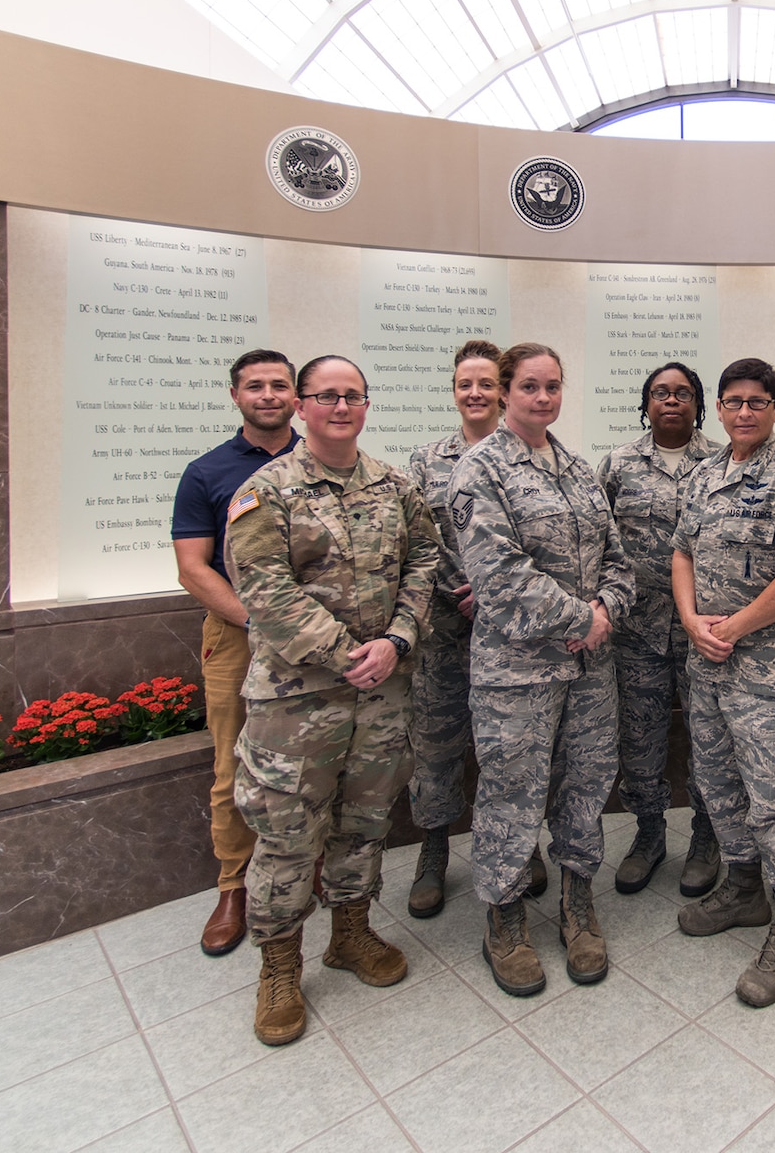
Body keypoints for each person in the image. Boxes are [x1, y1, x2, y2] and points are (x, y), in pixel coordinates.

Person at [226, 355, 437, 1046]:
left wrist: (399, 639)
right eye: (327, 396)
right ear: (302, 407)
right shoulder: (267, 493)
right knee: (288, 836)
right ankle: (279, 966)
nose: (341, 406)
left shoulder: (395, 486)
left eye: (353, 396)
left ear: (366, 406)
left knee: (365, 820)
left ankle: (350, 932)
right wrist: (345, 652)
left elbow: (424, 564)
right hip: (298, 701)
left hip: (381, 692)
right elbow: (264, 590)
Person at [451, 343, 635, 997]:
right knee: (512, 790)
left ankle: (577, 902)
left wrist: (606, 608)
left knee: (586, 784)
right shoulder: (480, 470)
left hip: (591, 667)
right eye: (529, 386)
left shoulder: (579, 470)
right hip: (516, 672)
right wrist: (580, 619)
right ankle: (503, 917)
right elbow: (498, 577)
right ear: (504, 392)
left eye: (553, 386)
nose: (543, 398)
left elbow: (618, 558)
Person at [670, 358, 775, 1008]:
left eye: (756, 402)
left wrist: (731, 627)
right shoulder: (706, 473)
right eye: (733, 401)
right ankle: (744, 889)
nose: (744, 412)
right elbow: (681, 551)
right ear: (720, 406)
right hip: (708, 665)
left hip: (771, 673)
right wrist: (690, 620)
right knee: (717, 783)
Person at [402, 340, 545, 918]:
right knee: (437, 746)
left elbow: (539, 542)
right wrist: (460, 589)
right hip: (445, 628)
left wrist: (492, 592)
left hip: (512, 634)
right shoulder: (424, 461)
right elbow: (417, 540)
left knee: (512, 749)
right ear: (454, 390)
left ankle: (521, 845)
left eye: (487, 383)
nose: (476, 393)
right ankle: (434, 851)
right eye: (466, 383)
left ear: (504, 390)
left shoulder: (532, 457)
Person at [170, 349, 300, 957]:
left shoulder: (322, 460)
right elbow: (193, 568)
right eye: (256, 386)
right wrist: (259, 620)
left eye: (280, 385)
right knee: (233, 765)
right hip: (239, 636)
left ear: (298, 396)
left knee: (318, 759)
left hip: (316, 639)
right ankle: (233, 888)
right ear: (235, 396)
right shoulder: (207, 473)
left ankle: (311, 869)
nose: (269, 395)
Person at [597, 363, 721, 897]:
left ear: (699, 403)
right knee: (639, 740)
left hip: (705, 631)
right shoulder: (618, 464)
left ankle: (705, 837)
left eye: (683, 393)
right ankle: (648, 835)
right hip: (637, 632)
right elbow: (596, 541)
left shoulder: (722, 461)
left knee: (708, 739)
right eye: (660, 393)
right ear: (645, 403)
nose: (671, 400)